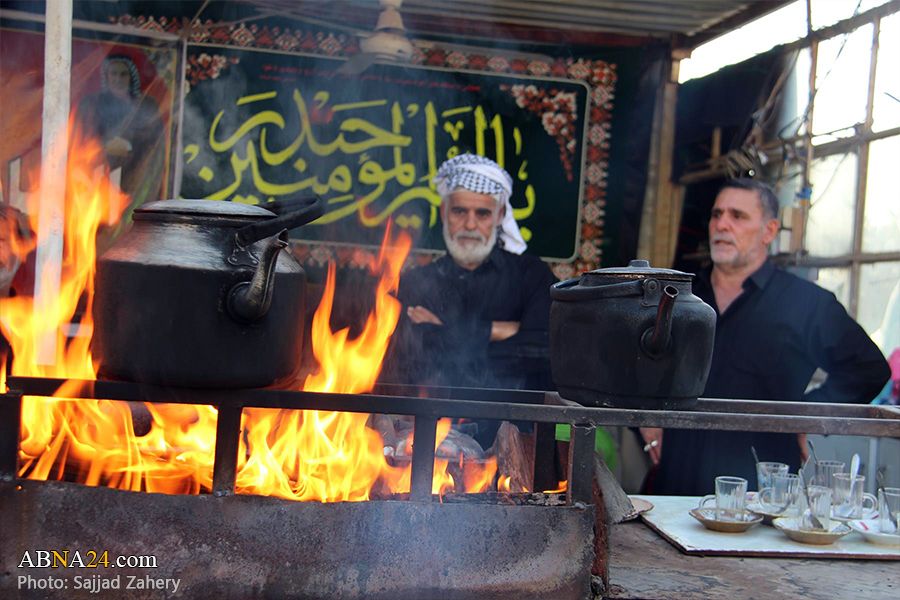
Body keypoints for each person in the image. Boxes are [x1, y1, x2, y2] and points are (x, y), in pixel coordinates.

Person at [640, 178, 891, 495]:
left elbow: (869, 368)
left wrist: (812, 415)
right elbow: (641, 360)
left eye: (738, 216)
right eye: (717, 215)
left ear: (769, 231)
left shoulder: (806, 303)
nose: (722, 224)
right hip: (676, 475)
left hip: (760, 484)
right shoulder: (679, 296)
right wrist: (647, 421)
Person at [383, 153, 557, 446]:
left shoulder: (532, 276)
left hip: (516, 442)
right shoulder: (415, 283)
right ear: (443, 212)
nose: (470, 224)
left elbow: (541, 352)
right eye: (460, 211)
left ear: (500, 216)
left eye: (483, 214)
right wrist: (499, 332)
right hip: (429, 442)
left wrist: (446, 331)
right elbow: (407, 360)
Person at [75, 54, 165, 223]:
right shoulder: (92, 104)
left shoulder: (146, 106)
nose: (118, 79)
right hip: (98, 175)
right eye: (113, 74)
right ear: (106, 76)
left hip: (134, 175)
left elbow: (153, 142)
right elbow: (83, 137)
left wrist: (130, 147)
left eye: (123, 74)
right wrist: (103, 147)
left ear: (131, 77)